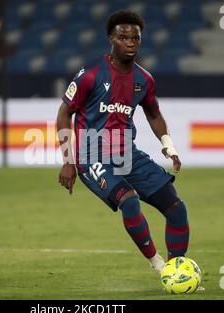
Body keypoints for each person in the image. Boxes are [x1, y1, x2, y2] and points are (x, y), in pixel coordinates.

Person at [56, 11, 190, 276]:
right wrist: (68, 160)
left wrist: (168, 145)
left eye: (135, 38)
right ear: (111, 39)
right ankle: (157, 263)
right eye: (123, 37)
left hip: (127, 155)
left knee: (176, 208)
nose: (130, 42)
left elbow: (153, 113)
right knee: (129, 201)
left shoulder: (144, 80)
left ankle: (176, 270)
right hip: (91, 155)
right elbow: (63, 113)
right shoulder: (90, 75)